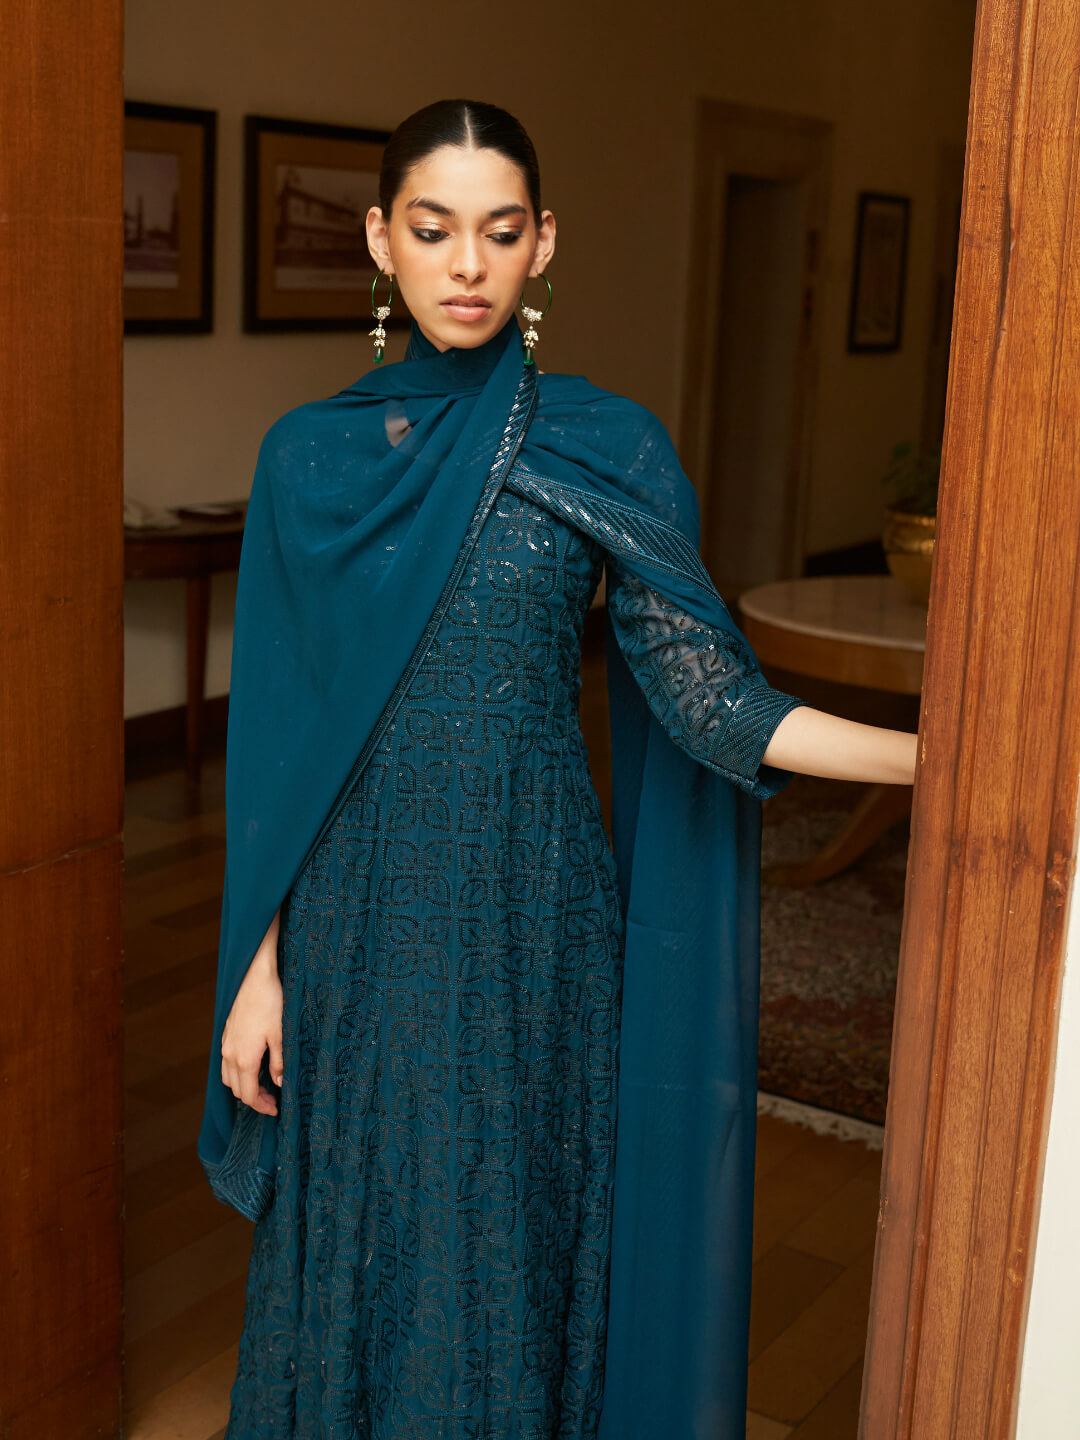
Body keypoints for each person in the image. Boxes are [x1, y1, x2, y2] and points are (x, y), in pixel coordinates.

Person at [197, 98, 917, 1439]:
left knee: (505, 1234)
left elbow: (711, 702)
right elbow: (279, 748)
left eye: (500, 229)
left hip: (533, 918)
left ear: (543, 244)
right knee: (370, 1237)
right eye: (433, 230)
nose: (467, 264)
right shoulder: (307, 461)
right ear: (381, 241)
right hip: (358, 924)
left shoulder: (606, 444)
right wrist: (257, 969)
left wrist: (942, 757)